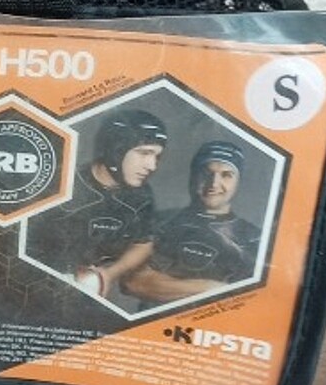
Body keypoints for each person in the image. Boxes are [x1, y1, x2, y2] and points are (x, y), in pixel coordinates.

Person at [25, 109, 168, 298]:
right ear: (117, 149)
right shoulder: (62, 184)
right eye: (144, 153)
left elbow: (144, 243)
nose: (152, 165)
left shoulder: (142, 195)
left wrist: (109, 274)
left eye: (156, 156)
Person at [122, 140, 261, 304]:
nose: (214, 183)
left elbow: (251, 301)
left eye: (226, 175)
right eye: (206, 173)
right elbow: (135, 282)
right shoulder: (160, 223)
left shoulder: (254, 238)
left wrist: (172, 285)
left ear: (238, 182)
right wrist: (213, 289)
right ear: (193, 176)